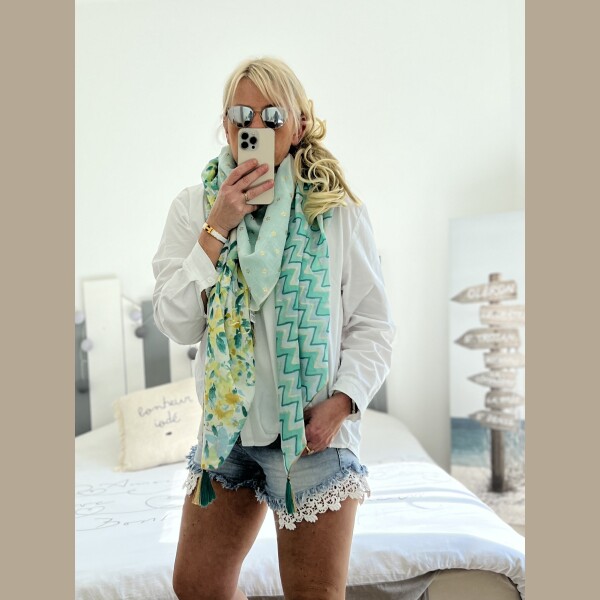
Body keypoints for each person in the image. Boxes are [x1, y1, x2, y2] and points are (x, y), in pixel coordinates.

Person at [152, 56, 395, 600]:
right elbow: (177, 321)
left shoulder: (336, 211)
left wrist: (341, 406)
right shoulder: (194, 208)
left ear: (299, 125)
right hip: (228, 435)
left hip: (312, 438)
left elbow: (374, 325)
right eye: (241, 116)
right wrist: (218, 226)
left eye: (272, 116)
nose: (254, 127)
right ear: (225, 126)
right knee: (196, 586)